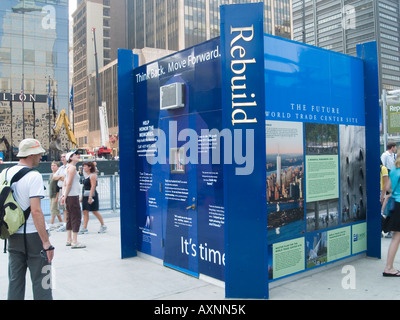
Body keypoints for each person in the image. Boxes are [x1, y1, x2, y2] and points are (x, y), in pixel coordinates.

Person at [7, 138, 54, 300]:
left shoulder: (5, 173)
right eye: (39, 154)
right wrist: (46, 243)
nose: (41, 156)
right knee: (43, 281)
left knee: (15, 281)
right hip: (34, 236)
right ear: (31, 154)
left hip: (12, 235)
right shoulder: (34, 176)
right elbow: (36, 211)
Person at [60, 151, 86, 249]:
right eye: (75, 155)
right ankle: (74, 241)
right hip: (73, 196)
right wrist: (65, 195)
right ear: (71, 158)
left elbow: (65, 183)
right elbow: (69, 183)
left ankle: (69, 239)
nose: (77, 156)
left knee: (69, 217)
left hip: (69, 196)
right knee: (76, 217)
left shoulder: (67, 168)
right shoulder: (72, 168)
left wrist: (63, 195)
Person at [383, 150, 400, 277]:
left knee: (396, 237)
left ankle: (389, 267)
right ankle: (388, 268)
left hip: (396, 205)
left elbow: (388, 187)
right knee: (396, 238)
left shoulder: (394, 169)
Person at [79, 161, 107, 234]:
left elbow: (93, 186)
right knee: (85, 211)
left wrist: (90, 197)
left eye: (85, 166)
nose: (84, 168)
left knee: (94, 211)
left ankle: (103, 225)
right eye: (83, 166)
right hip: (85, 194)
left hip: (92, 195)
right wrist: (82, 197)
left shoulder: (93, 176)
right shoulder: (85, 176)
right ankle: (84, 228)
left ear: (89, 167)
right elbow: (84, 187)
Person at [53, 152, 68, 231]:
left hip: (67, 190)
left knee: (69, 208)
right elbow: (54, 177)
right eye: (61, 157)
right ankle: (65, 224)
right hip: (61, 189)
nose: (62, 158)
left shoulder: (69, 167)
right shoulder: (61, 168)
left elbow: (67, 179)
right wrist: (61, 177)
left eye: (64, 157)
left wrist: (61, 178)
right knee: (63, 208)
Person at [49, 161, 63, 229]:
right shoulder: (51, 175)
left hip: (55, 195)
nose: (53, 167)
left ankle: (51, 224)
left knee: (53, 209)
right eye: (52, 165)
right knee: (56, 210)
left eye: (54, 165)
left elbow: (58, 187)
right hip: (51, 195)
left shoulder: (58, 176)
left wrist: (57, 196)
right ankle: (61, 222)